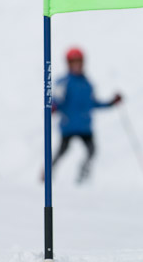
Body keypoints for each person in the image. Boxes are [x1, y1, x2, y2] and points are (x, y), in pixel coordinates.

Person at [51, 47, 122, 183]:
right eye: (74, 62)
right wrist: (53, 107)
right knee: (62, 151)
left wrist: (111, 103)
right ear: (68, 64)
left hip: (85, 126)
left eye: (79, 62)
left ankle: (83, 175)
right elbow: (57, 100)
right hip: (69, 125)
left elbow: (93, 103)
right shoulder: (63, 82)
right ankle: (47, 174)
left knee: (91, 151)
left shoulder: (87, 83)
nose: (77, 65)